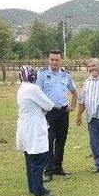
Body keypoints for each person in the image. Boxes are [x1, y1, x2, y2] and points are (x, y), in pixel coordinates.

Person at [36, 50, 77, 181]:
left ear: (61, 60)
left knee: (61, 140)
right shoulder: (42, 75)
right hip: (49, 113)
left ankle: (58, 167)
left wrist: (72, 105)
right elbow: (37, 94)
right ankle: (48, 171)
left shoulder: (65, 75)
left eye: (57, 60)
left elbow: (74, 91)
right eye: (52, 59)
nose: (54, 62)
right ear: (48, 60)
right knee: (48, 141)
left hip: (63, 112)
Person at [16, 66, 56, 196]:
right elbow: (49, 105)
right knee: (39, 158)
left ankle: (33, 187)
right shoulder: (33, 88)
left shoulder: (22, 87)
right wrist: (43, 107)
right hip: (33, 128)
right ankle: (39, 191)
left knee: (30, 158)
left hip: (25, 127)